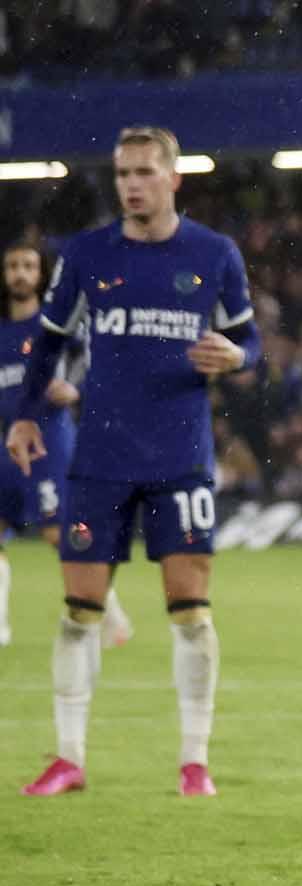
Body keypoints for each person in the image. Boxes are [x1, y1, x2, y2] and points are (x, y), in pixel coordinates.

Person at [8, 126, 261, 797]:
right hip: (101, 458)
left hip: (181, 458)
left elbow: (250, 340)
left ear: (174, 178)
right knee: (77, 610)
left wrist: (236, 358)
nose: (131, 184)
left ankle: (194, 761)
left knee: (191, 608)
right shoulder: (87, 254)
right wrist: (28, 414)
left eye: (145, 172)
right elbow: (51, 342)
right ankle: (68, 758)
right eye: (123, 173)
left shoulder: (214, 254)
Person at [0, 243, 133, 649]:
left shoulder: (55, 324)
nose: (20, 273)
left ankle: (109, 613)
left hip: (49, 441)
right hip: (4, 442)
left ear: (40, 274)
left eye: (28, 266)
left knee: (61, 535)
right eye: (12, 266)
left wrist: (74, 388)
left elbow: (92, 361)